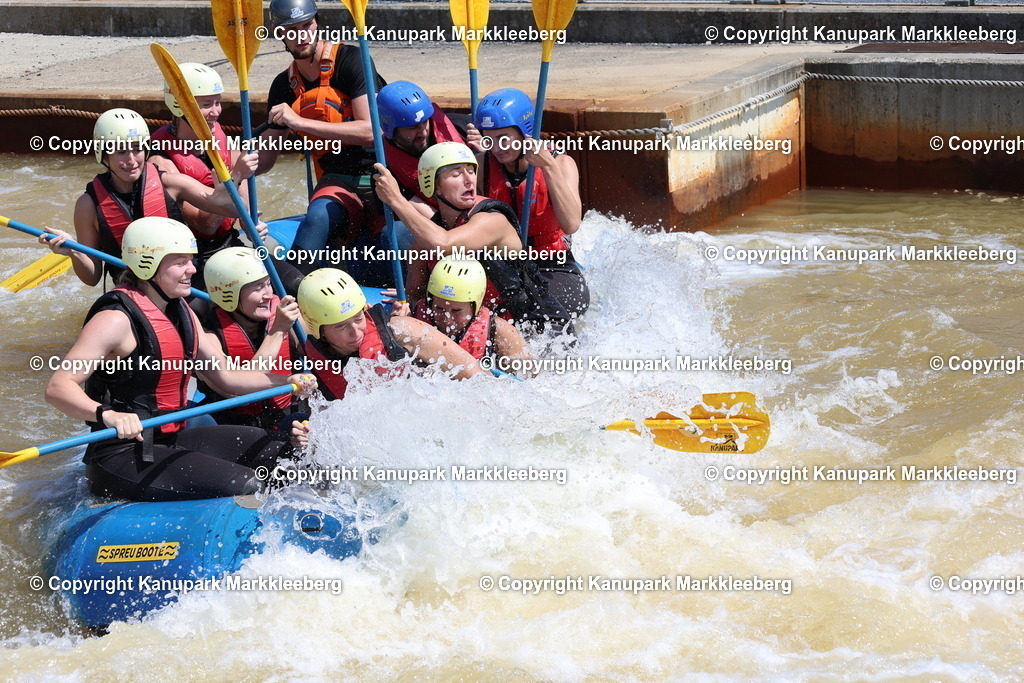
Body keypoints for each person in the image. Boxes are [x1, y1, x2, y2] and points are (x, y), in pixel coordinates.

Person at [44, 217, 316, 502]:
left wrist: (287, 380)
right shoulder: (114, 320)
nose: (192, 269)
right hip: (122, 453)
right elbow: (58, 387)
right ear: (147, 264)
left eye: (191, 260)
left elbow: (227, 376)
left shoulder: (180, 309)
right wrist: (108, 415)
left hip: (170, 438)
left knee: (286, 450)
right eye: (180, 262)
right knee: (246, 484)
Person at [41, 108, 258, 287]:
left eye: (137, 149)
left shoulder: (171, 183)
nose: (132, 160)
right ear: (103, 154)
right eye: (121, 151)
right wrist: (73, 251)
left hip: (182, 286)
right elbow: (92, 277)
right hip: (134, 293)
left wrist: (235, 179)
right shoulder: (88, 205)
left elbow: (231, 209)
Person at [373, 141, 573, 334]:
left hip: (539, 329)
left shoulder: (492, 221)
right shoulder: (423, 243)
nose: (469, 180)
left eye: (471, 171)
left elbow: (444, 244)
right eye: (456, 173)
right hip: (485, 331)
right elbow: (415, 295)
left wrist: (396, 199)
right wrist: (407, 306)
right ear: (433, 185)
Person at [258, 0, 389, 283]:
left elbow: (371, 131)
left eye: (306, 25)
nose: (301, 35)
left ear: (316, 22)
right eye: (291, 30)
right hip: (336, 178)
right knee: (316, 217)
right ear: (278, 33)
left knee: (395, 238)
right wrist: (228, 166)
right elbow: (265, 160)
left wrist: (299, 122)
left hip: (382, 172)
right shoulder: (282, 86)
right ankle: (294, 299)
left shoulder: (352, 60)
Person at [474, 88, 590, 318]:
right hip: (504, 265)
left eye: (503, 139)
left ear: (525, 133)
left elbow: (571, 224)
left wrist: (548, 167)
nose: (496, 148)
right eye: (489, 139)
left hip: (551, 264)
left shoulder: (561, 163)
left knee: (540, 310)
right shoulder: (481, 166)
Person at [297, 267, 486, 402]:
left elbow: (478, 378)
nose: (355, 332)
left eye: (357, 319)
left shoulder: (404, 330)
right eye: (340, 327)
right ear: (319, 330)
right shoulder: (312, 350)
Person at [201, 247, 304, 429]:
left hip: (291, 417)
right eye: (258, 288)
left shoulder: (289, 317)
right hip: (240, 428)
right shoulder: (208, 337)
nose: (268, 294)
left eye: (268, 284)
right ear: (228, 294)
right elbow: (235, 390)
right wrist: (277, 331)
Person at [412, 257, 533, 374]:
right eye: (439, 308)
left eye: (457, 311)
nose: (447, 320)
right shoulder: (412, 321)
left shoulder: (499, 331)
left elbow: (530, 378)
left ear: (476, 306)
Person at [378, 80, 473, 206]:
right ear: (391, 130)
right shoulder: (385, 171)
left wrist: (483, 152)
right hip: (432, 220)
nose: (422, 133)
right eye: (412, 128)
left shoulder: (461, 127)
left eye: (424, 123)